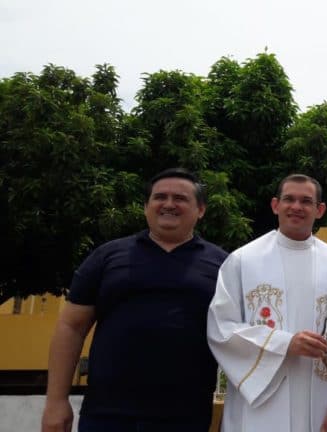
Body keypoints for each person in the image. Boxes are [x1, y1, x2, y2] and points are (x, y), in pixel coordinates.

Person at [41, 168, 228, 432]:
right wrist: (55, 401)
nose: (169, 204)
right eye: (160, 197)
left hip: (186, 416)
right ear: (146, 206)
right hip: (107, 415)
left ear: (201, 210)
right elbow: (71, 327)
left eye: (180, 198)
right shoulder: (107, 257)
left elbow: (237, 337)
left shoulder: (224, 265)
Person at [207, 174, 327, 432]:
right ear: (275, 205)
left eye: (306, 201)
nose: (296, 207)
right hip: (261, 402)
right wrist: (284, 343)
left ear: (320, 209)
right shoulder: (242, 260)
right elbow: (220, 328)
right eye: (289, 199)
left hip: (321, 397)